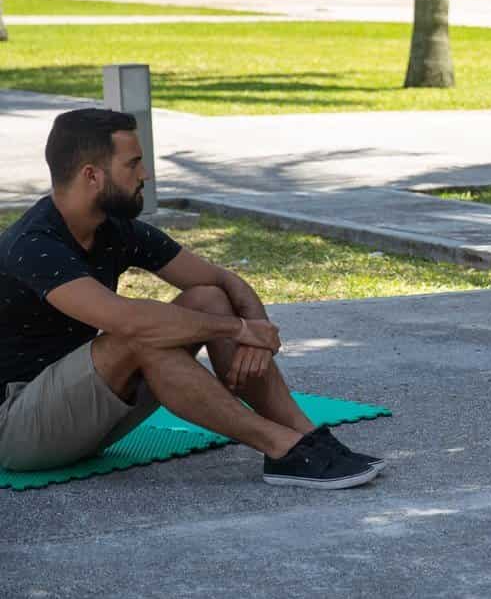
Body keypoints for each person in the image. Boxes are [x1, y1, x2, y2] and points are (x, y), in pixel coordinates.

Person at [0, 110, 383, 486]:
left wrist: (256, 330)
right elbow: (129, 322)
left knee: (207, 298)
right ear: (92, 175)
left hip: (83, 415)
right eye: (133, 164)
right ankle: (281, 447)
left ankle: (303, 433)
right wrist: (239, 329)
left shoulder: (114, 230)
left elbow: (223, 281)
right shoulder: (34, 245)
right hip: (17, 427)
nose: (145, 175)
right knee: (142, 334)